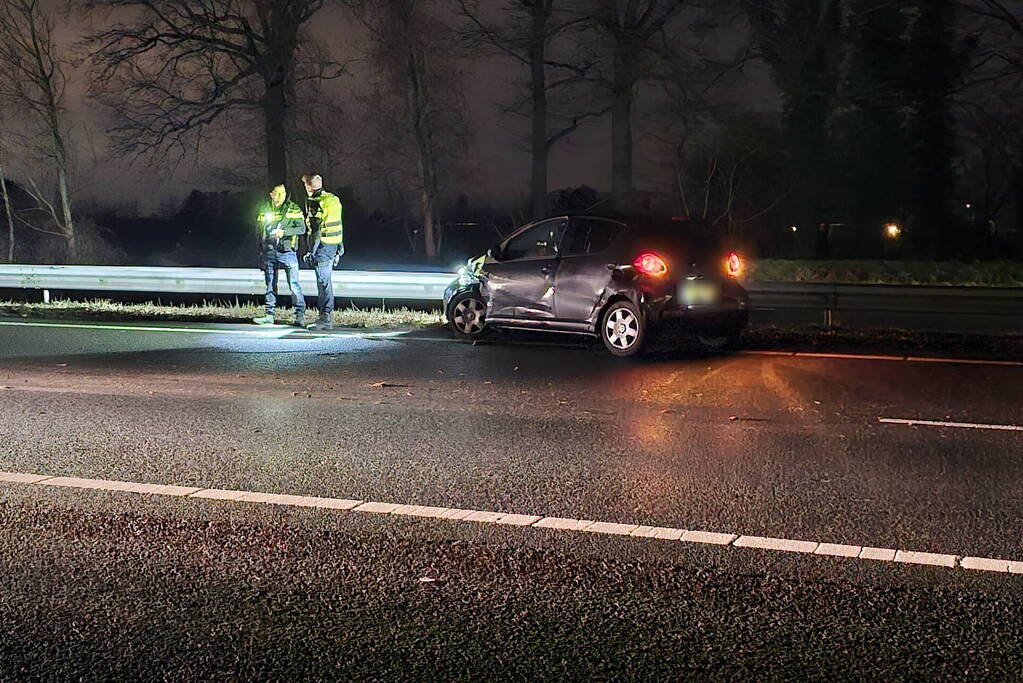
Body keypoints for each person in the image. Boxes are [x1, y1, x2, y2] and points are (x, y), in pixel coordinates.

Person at [252, 183, 307, 327]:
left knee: (294, 285)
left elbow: (301, 228)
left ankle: (299, 316)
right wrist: (260, 249)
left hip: (287, 251)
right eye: (277, 193)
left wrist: (284, 232)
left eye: (282, 193)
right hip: (269, 250)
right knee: (270, 285)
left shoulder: (293, 208)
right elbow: (258, 230)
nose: (280, 196)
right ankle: (269, 315)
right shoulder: (264, 209)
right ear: (271, 194)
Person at [301, 173, 344, 331]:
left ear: (309, 187)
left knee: (323, 283)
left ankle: (325, 318)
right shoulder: (333, 199)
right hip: (334, 245)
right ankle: (325, 316)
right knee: (326, 282)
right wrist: (340, 246)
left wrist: (311, 252)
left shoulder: (315, 202)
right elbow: (337, 223)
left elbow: (316, 230)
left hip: (323, 247)